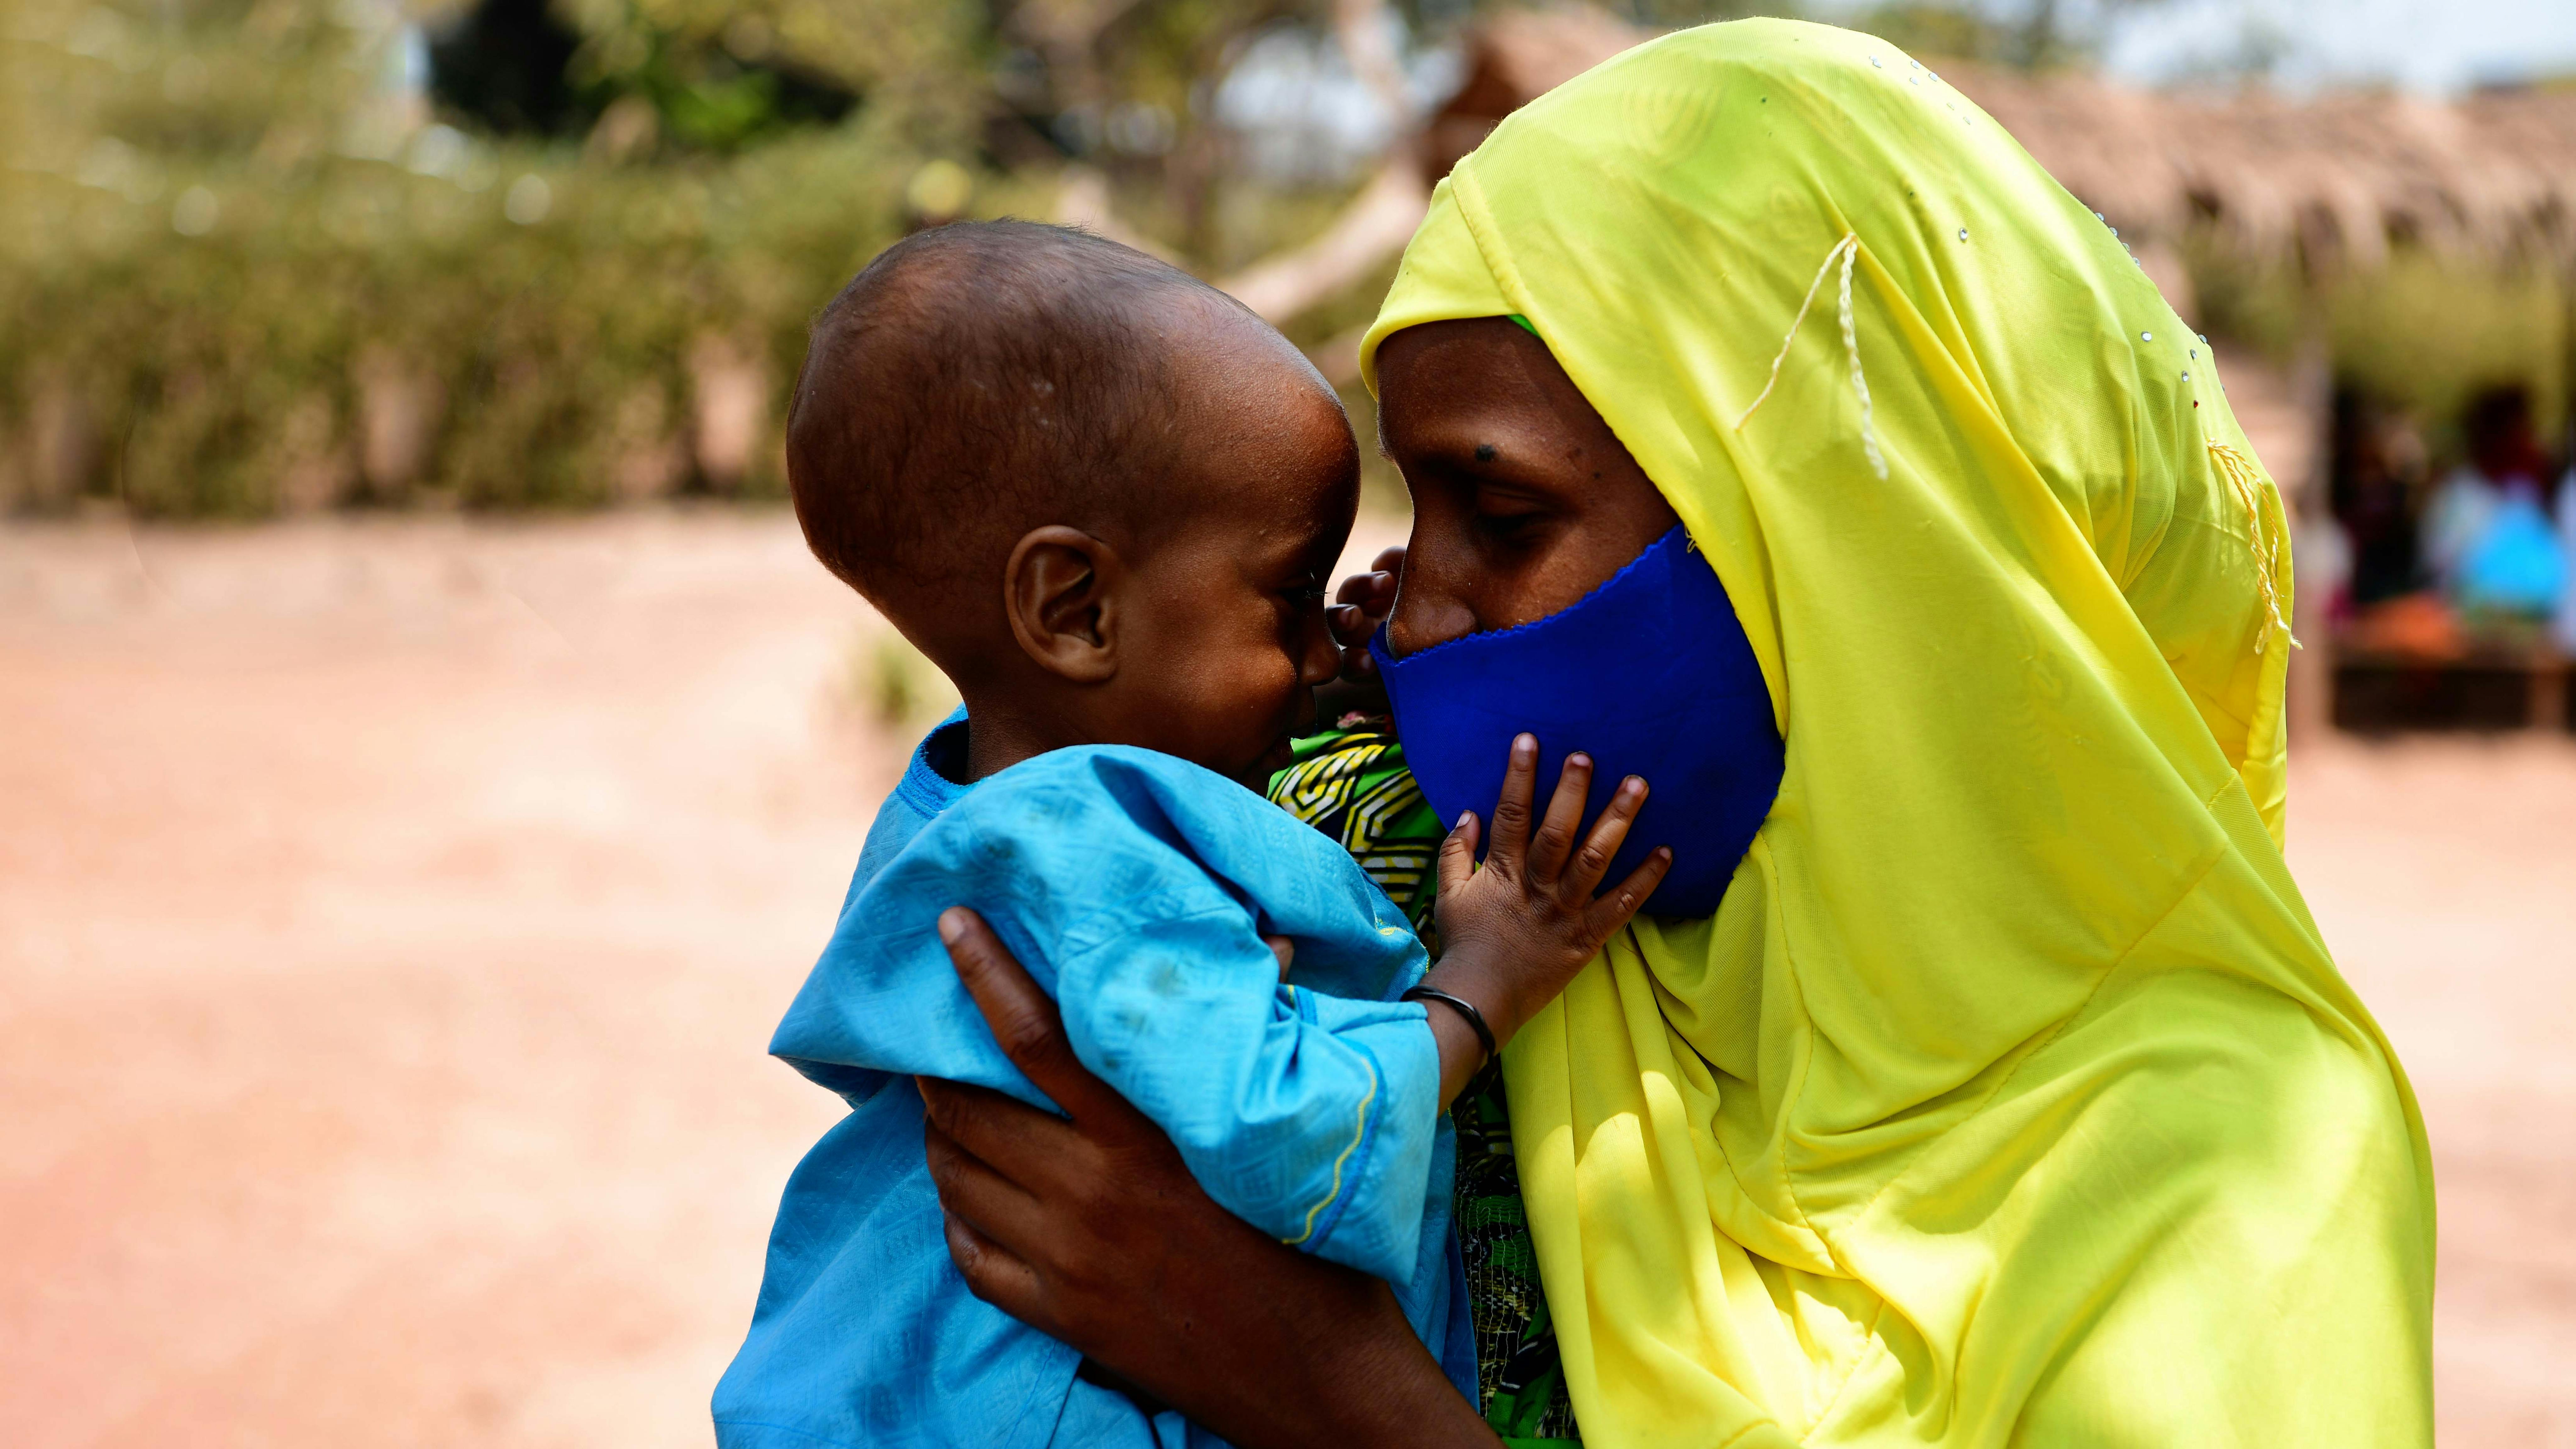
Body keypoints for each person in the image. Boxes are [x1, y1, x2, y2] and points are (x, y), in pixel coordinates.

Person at [912, 20, 2436, 1448]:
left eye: (1499, 516)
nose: (1416, 615)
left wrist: (1325, 1391)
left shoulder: (2242, 1162)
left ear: (1834, 545)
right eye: (1412, 511)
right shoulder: (1435, 904)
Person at [710, 220, 1673, 1449]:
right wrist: (1486, 981)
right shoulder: (1086, 859)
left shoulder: (988, 798)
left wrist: (1334, 675)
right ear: (1071, 611)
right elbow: (1274, 1131)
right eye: (1287, 598)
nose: (1333, 636)